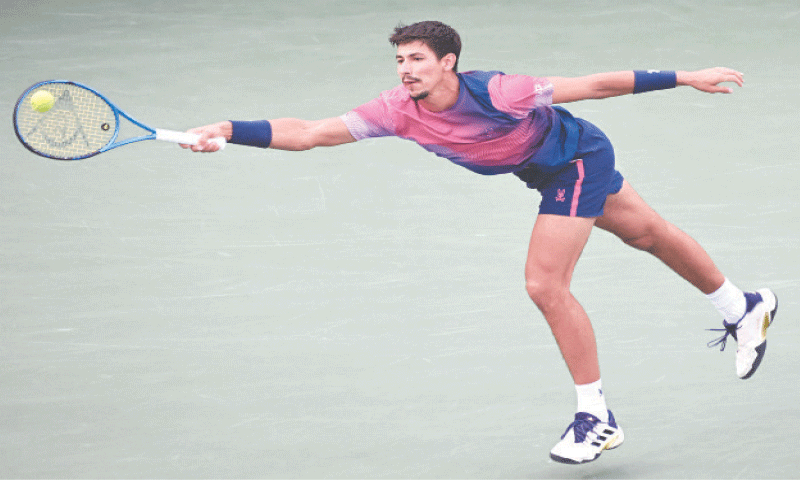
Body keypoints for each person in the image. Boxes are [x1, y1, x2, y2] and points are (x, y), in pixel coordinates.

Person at [182, 21, 777, 465]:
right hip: (542, 170)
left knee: (544, 285)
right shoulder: (396, 110)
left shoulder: (501, 91)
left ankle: (595, 416)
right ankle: (742, 304)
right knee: (649, 234)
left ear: (449, 62)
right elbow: (311, 132)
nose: (405, 70)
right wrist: (229, 131)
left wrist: (685, 76)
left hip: (576, 160)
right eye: (399, 60)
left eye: (417, 59)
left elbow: (596, 85)